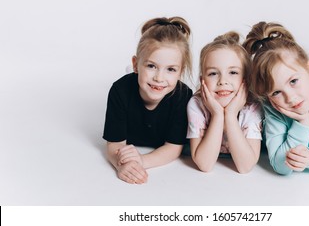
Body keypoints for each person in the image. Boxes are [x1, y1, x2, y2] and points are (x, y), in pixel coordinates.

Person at [243, 21, 309, 175]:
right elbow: (281, 166)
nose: (290, 98)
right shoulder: (272, 108)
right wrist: (302, 123)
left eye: (293, 81)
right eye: (276, 92)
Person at [103, 16, 193, 184]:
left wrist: (141, 161)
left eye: (171, 69)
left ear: (181, 71)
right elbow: (114, 144)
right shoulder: (120, 91)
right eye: (151, 66)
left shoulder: (183, 96)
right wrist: (122, 164)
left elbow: (173, 147)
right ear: (136, 64)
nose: (159, 78)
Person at [187, 31, 262, 173]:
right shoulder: (196, 104)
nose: (223, 81)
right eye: (213, 73)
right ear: (202, 80)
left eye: (233, 72)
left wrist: (231, 114)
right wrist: (217, 115)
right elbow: (205, 165)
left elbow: (245, 167)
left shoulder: (252, 107)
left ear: (245, 79)